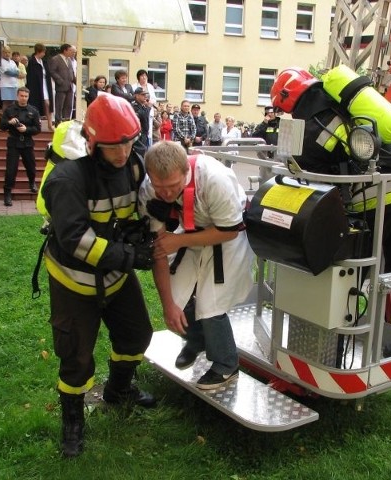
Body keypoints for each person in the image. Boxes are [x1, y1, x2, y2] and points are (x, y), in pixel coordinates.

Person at [270, 66, 391, 354]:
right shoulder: (346, 101)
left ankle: (337, 345)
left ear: (285, 101)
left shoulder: (303, 128)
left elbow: (304, 178)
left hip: (377, 202)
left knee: (351, 272)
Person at [40, 93, 156, 457]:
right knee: (75, 356)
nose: (122, 153)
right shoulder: (68, 178)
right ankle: (72, 423)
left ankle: (119, 391)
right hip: (73, 279)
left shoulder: (134, 165)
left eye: (128, 143)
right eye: (112, 147)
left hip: (115, 276)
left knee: (137, 334)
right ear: (93, 143)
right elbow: (75, 240)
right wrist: (129, 255)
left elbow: (139, 207)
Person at [139, 141, 254, 390]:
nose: (166, 194)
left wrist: (178, 240)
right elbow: (160, 250)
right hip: (190, 230)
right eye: (160, 188)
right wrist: (168, 305)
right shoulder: (150, 190)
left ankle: (227, 365)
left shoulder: (214, 180)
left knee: (211, 303)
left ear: (185, 172)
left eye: (172, 186)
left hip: (227, 234)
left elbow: (228, 231)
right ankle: (197, 340)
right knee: (178, 298)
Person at [0, 87, 41, 206]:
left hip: (27, 142)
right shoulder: (10, 110)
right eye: (21, 96)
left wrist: (26, 129)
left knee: (31, 167)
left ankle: (32, 182)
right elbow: (1, 126)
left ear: (28, 97)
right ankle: (7, 194)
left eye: (26, 96)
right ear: (17, 96)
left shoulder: (33, 110)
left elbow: (37, 129)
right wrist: (9, 122)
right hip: (14, 142)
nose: (23, 98)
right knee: (11, 170)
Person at [26, 43, 54, 132]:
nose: (44, 54)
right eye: (43, 52)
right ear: (38, 52)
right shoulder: (32, 62)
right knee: (37, 105)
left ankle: (50, 124)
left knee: (48, 104)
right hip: (37, 87)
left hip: (45, 85)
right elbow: (30, 76)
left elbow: (47, 73)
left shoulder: (44, 62)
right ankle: (37, 124)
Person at [48, 44, 76, 125]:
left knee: (69, 105)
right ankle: (58, 122)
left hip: (70, 86)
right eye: (70, 50)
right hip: (61, 86)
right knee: (59, 105)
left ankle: (67, 122)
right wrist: (60, 80)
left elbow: (72, 72)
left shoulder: (70, 60)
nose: (72, 52)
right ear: (65, 50)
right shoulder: (56, 59)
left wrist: (75, 81)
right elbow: (52, 71)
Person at [131, 87, 152, 158]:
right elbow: (142, 115)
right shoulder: (134, 106)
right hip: (139, 135)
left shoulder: (143, 106)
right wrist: (148, 107)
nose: (145, 96)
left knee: (144, 154)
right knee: (139, 155)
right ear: (136, 95)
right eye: (143, 94)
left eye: (145, 94)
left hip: (145, 134)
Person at [0, 45, 19, 111]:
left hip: (14, 85)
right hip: (5, 85)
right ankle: (5, 117)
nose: (7, 54)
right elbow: (7, 72)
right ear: (2, 53)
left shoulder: (12, 62)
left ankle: (11, 116)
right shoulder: (0, 61)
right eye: (5, 52)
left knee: (13, 102)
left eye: (8, 52)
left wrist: (14, 72)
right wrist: (14, 72)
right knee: (6, 102)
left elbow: (17, 72)